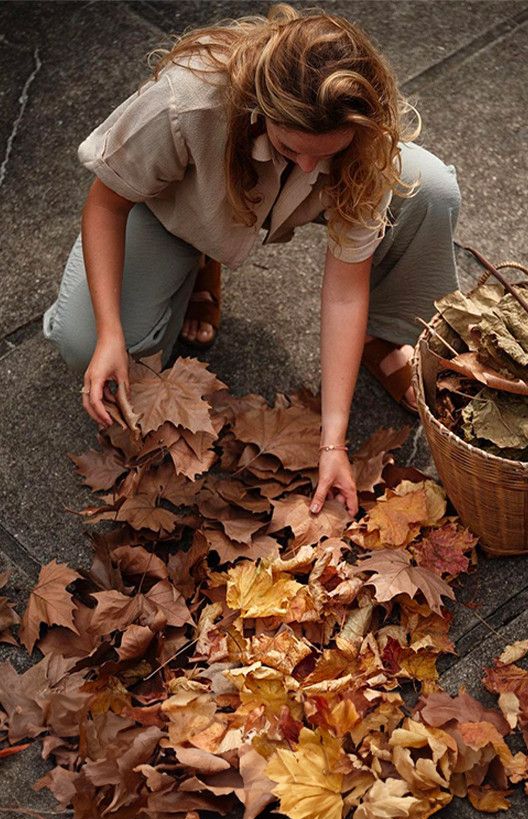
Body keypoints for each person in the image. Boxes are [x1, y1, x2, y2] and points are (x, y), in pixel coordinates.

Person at [42, 3, 461, 518]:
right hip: (175, 205)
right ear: (263, 109)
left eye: (325, 154)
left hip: (278, 201)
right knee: (87, 346)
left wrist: (333, 444)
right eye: (292, 146)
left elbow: (346, 288)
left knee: (431, 191)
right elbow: (106, 205)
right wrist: (109, 332)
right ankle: (197, 254)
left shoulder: (359, 136)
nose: (310, 166)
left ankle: (382, 338)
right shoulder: (185, 101)